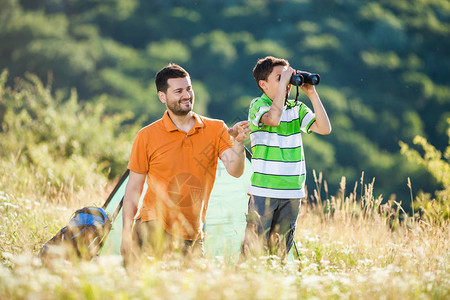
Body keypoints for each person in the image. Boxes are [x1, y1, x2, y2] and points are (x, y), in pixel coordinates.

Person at [121, 63, 250, 262]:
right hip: (153, 226)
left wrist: (239, 145)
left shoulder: (216, 129)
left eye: (189, 89)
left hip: (192, 233)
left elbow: (235, 170)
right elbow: (133, 189)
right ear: (162, 97)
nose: (187, 95)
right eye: (179, 91)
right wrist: (125, 234)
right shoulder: (146, 136)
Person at [242, 56, 331, 258]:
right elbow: (273, 119)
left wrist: (312, 92)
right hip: (263, 191)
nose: (287, 82)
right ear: (263, 84)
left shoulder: (296, 108)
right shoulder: (257, 105)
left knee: (279, 254)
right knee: (253, 252)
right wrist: (284, 84)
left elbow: (325, 129)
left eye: (288, 77)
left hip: (291, 192)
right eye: (279, 78)